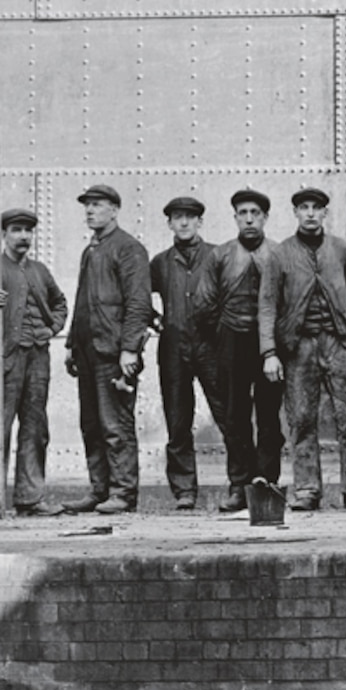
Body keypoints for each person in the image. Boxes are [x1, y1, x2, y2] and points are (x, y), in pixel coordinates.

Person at [263, 187, 346, 512]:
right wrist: (269, 352)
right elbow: (267, 305)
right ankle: (308, 490)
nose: (310, 213)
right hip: (299, 346)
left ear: (325, 213)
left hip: (339, 343)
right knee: (302, 418)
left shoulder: (340, 249)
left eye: (316, 208)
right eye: (304, 208)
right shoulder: (279, 254)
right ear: (295, 213)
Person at [0, 206, 69, 514]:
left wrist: (52, 327)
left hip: (38, 360)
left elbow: (60, 303)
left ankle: (29, 498)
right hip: (3, 361)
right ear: (5, 235)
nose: (23, 236)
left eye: (28, 230)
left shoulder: (40, 272)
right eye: (16, 230)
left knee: (35, 429)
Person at [67, 183, 153, 512]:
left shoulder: (129, 248)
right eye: (87, 205)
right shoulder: (91, 250)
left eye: (98, 205)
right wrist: (73, 345)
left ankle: (123, 493)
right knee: (91, 424)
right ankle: (99, 490)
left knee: (115, 425)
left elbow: (138, 304)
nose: (90, 210)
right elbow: (82, 302)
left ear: (115, 210)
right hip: (89, 352)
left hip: (114, 353)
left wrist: (129, 349)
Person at [208, 189, 284, 509]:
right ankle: (239, 485)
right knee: (235, 416)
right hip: (232, 342)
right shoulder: (221, 255)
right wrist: (221, 338)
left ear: (265, 217)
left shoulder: (279, 254)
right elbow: (206, 302)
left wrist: (276, 347)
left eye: (255, 213)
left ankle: (266, 482)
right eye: (243, 213)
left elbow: (287, 300)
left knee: (269, 418)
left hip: (269, 345)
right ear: (235, 217)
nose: (249, 219)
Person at [151, 194, 219, 509]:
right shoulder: (161, 263)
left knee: (228, 415)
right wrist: (155, 320)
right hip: (173, 347)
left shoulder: (218, 256)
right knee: (178, 420)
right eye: (177, 217)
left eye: (190, 217)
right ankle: (184, 490)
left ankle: (242, 484)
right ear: (169, 224)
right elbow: (137, 299)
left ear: (200, 222)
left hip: (210, 345)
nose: (183, 223)